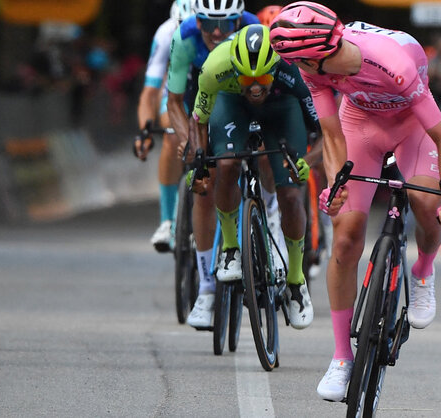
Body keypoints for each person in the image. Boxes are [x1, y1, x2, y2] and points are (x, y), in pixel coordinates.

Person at [269, 1, 441, 401]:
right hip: (360, 124)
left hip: (414, 126)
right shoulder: (311, 63)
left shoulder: (393, 63)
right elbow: (332, 135)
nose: (301, 72)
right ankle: (342, 357)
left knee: (425, 202)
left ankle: (424, 269)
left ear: (325, 53)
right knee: (345, 235)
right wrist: (338, 184)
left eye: (305, 64)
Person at [185, 23, 318, 329]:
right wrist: (201, 160)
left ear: (274, 69)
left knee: (290, 192)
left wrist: (307, 161)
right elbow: (198, 120)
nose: (255, 87)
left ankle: (297, 281)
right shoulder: (214, 68)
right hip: (232, 106)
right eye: (247, 79)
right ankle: (231, 248)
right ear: (235, 69)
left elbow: (326, 130)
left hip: (281, 108)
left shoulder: (291, 69)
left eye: (261, 79)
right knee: (228, 165)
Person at [165, 0, 265, 329]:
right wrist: (191, 143)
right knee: (203, 181)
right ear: (198, 21)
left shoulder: (254, 31)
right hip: (201, 91)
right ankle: (207, 289)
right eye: (209, 24)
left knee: (263, 154)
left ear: (240, 19)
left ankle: (270, 221)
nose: (218, 32)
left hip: (243, 90)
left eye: (227, 24)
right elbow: (175, 102)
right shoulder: (184, 36)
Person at [133, 0, 194, 253]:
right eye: (181, 27)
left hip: (208, 84)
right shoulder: (165, 33)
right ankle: (168, 220)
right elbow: (149, 93)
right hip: (177, 88)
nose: (186, 35)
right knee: (171, 135)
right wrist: (145, 132)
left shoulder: (218, 31)